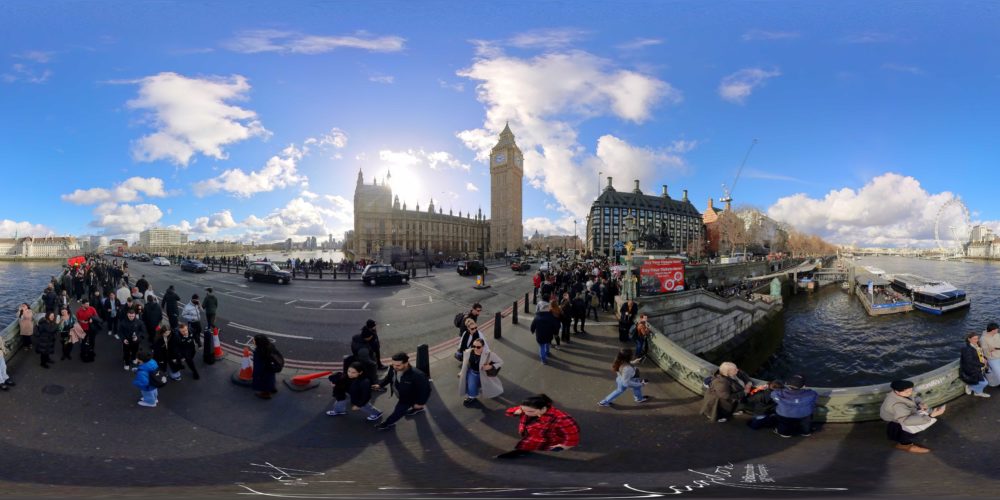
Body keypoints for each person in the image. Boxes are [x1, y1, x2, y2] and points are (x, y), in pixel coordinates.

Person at [497, 394, 580, 459]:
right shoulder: (528, 408)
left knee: (530, 445)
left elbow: (572, 434)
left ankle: (522, 451)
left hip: (546, 439)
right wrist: (515, 412)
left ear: (543, 409)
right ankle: (524, 450)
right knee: (528, 443)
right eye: (523, 410)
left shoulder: (561, 419)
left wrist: (565, 446)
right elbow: (508, 412)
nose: (525, 413)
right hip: (531, 434)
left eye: (530, 411)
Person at [879, 379, 945, 454]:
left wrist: (920, 403)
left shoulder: (900, 394)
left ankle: (902, 442)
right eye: (907, 392)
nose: (910, 393)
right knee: (906, 432)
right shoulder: (897, 405)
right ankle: (905, 445)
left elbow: (914, 397)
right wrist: (931, 416)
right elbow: (906, 421)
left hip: (898, 417)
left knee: (898, 431)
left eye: (911, 390)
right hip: (899, 420)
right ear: (897, 392)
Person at [372, 352, 432, 430]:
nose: (394, 367)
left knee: (398, 411)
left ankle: (387, 423)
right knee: (407, 407)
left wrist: (420, 403)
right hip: (401, 394)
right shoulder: (392, 368)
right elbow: (389, 377)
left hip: (408, 399)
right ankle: (417, 409)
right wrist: (380, 385)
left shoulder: (418, 375)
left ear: (406, 363)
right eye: (393, 364)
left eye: (398, 365)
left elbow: (426, 390)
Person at [458, 339, 504, 406]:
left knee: (488, 385)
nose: (475, 348)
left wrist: (491, 366)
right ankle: (472, 397)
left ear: (483, 346)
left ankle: (493, 390)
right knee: (471, 386)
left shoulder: (489, 354)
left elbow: (500, 362)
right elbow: (465, 364)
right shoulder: (468, 352)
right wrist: (461, 372)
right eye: (474, 346)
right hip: (472, 373)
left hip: (484, 374)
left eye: (478, 347)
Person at [960, 331, 991, 398]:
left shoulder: (977, 345)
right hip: (972, 369)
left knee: (982, 381)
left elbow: (980, 355)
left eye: (977, 338)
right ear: (969, 339)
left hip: (978, 367)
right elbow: (969, 361)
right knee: (984, 383)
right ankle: (971, 387)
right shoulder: (966, 349)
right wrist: (982, 364)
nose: (976, 340)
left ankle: (978, 392)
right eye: (974, 339)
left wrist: (984, 358)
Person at [251, 334, 280, 399]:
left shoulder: (259, 351)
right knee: (271, 378)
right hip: (271, 368)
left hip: (264, 370)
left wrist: (255, 374)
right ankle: (272, 388)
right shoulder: (271, 346)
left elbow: (258, 364)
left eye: (254, 341)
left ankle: (266, 394)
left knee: (264, 382)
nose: (253, 342)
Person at [117, 307, 146, 371]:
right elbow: (120, 332)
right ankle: (126, 363)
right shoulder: (123, 322)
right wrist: (123, 339)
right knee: (126, 353)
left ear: (135, 315)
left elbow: (143, 331)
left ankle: (133, 358)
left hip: (135, 341)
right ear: (127, 314)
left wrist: (137, 337)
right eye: (130, 316)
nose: (131, 317)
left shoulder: (139, 322)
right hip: (126, 341)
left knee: (135, 351)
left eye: (133, 316)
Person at [76, 298, 100, 363]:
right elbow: (78, 320)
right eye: (86, 304)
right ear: (82, 305)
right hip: (84, 329)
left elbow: (96, 317)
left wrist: (92, 319)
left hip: (92, 328)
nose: (88, 305)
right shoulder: (78, 311)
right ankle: (83, 352)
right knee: (84, 341)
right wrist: (82, 321)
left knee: (92, 340)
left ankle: (91, 350)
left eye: (88, 304)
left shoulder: (92, 308)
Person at [979, 322, 1000, 386]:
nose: (998, 330)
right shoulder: (983, 339)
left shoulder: (997, 334)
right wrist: (994, 349)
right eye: (997, 329)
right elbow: (985, 351)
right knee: (998, 372)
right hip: (993, 359)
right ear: (993, 330)